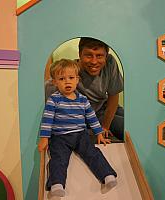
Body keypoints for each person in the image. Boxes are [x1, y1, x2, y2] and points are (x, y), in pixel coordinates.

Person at [38, 59, 117, 197]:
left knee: (92, 153)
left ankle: (108, 175)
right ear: (55, 82)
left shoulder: (83, 100)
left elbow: (91, 117)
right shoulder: (54, 100)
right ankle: (57, 184)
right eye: (62, 79)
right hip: (60, 137)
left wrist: (99, 133)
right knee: (59, 158)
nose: (67, 82)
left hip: (81, 135)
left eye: (71, 78)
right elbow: (47, 119)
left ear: (77, 80)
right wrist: (44, 138)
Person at [45, 37, 124, 140]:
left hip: (105, 108)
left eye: (99, 56)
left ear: (106, 56)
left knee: (130, 126)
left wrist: (105, 127)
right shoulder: (70, 73)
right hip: (84, 114)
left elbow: (113, 96)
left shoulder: (110, 63)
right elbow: (50, 88)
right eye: (88, 55)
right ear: (80, 54)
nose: (94, 61)